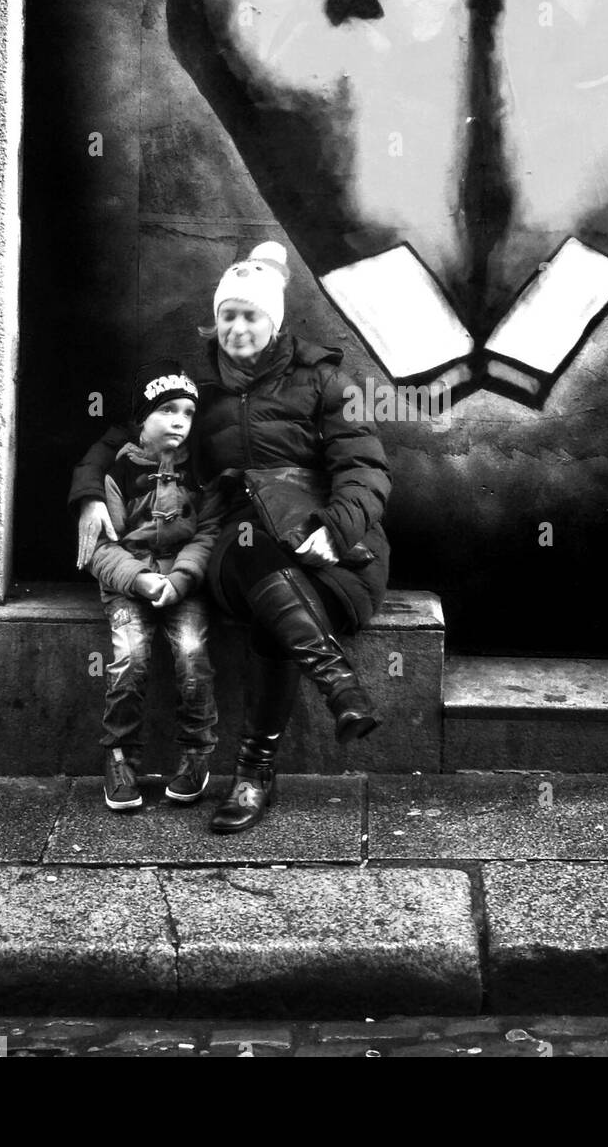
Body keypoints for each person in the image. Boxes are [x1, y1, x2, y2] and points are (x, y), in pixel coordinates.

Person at [71, 241, 391, 834]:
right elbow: (121, 434)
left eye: (251, 315)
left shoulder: (324, 381)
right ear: (214, 321)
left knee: (280, 602)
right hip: (232, 551)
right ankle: (338, 686)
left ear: (274, 322)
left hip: (327, 548)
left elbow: (365, 467)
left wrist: (339, 526)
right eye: (228, 315)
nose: (238, 327)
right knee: (246, 538)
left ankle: (254, 770)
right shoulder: (197, 386)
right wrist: (91, 494)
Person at [82, 359, 222, 812]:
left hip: (185, 582)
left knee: (191, 653)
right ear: (141, 420)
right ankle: (121, 756)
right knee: (129, 657)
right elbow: (102, 549)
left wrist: (180, 580)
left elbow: (209, 533)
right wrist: (140, 578)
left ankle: (196, 752)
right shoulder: (116, 471)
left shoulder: (201, 471)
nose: (179, 421)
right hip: (129, 583)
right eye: (167, 411)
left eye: (187, 412)